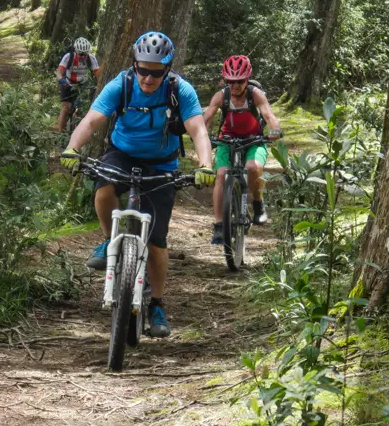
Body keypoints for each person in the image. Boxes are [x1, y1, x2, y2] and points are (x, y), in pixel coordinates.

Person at [59, 32, 215, 338]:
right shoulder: (123, 83)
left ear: (167, 69)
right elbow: (92, 120)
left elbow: (198, 130)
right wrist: (72, 148)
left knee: (156, 240)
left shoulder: (179, 90)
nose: (147, 78)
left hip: (162, 164)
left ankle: (156, 304)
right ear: (135, 65)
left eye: (156, 72)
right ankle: (108, 240)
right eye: (143, 69)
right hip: (122, 154)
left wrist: (206, 164)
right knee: (104, 189)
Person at [202, 55, 283, 245]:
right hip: (226, 140)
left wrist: (275, 130)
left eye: (239, 81)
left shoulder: (255, 95)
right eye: (230, 81)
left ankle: (258, 203)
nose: (234, 85)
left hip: (254, 140)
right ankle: (220, 225)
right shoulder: (222, 96)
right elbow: (207, 117)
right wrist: (201, 134)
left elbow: (269, 115)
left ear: (247, 80)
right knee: (221, 175)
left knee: (253, 167)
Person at [53, 37, 100, 133]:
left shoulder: (91, 58)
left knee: (79, 110)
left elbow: (97, 74)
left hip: (82, 85)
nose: (83, 56)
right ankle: (61, 135)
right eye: (81, 54)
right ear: (76, 51)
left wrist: (98, 85)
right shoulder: (68, 57)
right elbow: (59, 72)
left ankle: (76, 132)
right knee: (65, 109)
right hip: (67, 83)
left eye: (85, 54)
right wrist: (62, 80)